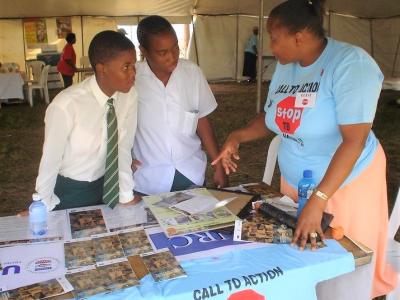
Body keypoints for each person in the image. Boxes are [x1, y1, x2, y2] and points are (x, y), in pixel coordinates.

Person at [212, 0, 397, 297]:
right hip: (297, 181)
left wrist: (320, 199)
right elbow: (273, 117)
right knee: (302, 259)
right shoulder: (288, 66)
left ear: (299, 37)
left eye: (274, 37)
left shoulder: (350, 64)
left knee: (342, 263)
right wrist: (237, 135)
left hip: (344, 182)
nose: (269, 46)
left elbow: (354, 140)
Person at [34, 30, 138, 211]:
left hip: (107, 185)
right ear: (102, 68)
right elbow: (51, 160)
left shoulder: (129, 96)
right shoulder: (66, 105)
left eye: (134, 65)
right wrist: (42, 204)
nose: (133, 73)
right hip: (70, 191)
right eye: (126, 67)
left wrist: (126, 194)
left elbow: (122, 145)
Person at [132, 15, 227, 196]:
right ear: (143, 51)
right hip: (148, 179)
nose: (172, 56)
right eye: (162, 52)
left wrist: (218, 165)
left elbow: (202, 120)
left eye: (175, 47)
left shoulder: (192, 73)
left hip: (190, 174)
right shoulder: (132, 80)